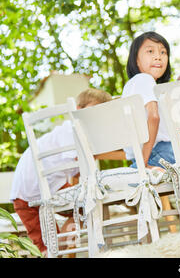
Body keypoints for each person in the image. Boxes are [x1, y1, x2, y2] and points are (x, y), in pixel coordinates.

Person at [10, 88, 113, 256]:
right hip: (27, 196)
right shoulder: (71, 128)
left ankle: (60, 245)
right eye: (94, 111)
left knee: (85, 208)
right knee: (44, 246)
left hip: (50, 185)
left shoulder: (71, 133)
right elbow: (79, 162)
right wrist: (97, 151)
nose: (98, 118)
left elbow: (74, 169)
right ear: (78, 111)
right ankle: (57, 247)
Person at [122, 31, 175, 169]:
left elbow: (153, 118)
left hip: (155, 153)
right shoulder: (144, 79)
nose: (158, 56)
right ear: (136, 60)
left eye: (163, 52)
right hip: (154, 153)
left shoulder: (136, 83)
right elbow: (153, 117)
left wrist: (142, 162)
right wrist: (143, 163)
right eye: (150, 51)